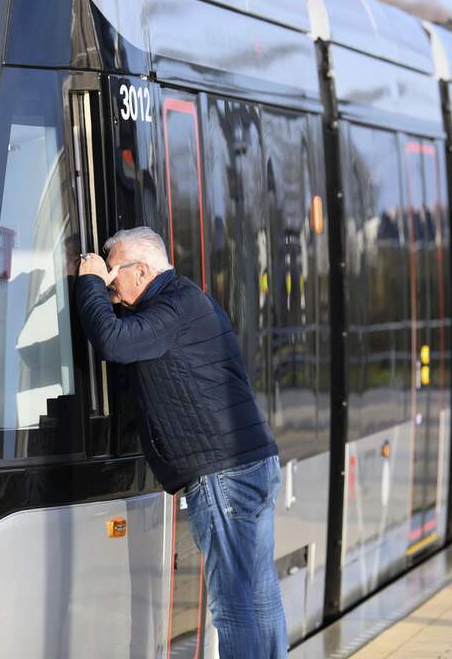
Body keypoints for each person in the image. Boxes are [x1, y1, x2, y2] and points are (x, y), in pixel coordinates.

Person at [75, 226, 285, 658]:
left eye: (114, 273)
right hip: (247, 464)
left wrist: (89, 282)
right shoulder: (186, 300)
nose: (112, 287)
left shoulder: (173, 307)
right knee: (258, 597)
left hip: (223, 473)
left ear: (142, 270)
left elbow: (114, 342)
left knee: (236, 606)